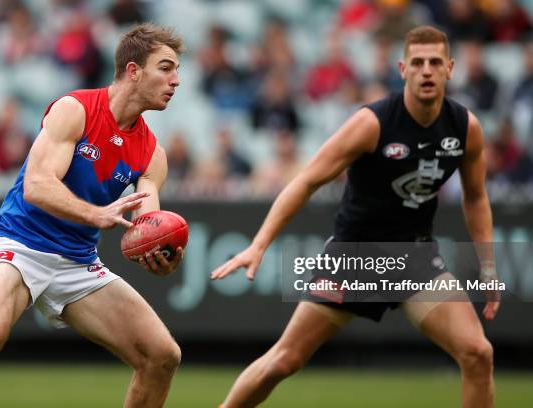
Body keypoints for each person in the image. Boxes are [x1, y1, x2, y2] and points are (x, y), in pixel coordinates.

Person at [212, 26, 500, 408]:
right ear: (402, 69)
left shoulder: (466, 128)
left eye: (434, 63)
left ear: (450, 68)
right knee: (284, 360)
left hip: (414, 259)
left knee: (478, 353)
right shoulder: (372, 123)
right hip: (356, 257)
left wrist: (488, 266)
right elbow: (306, 181)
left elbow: (476, 197)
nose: (426, 71)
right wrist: (259, 244)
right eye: (418, 63)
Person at [0, 23, 184, 408]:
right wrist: (94, 214)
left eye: (177, 70)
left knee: (162, 357)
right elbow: (38, 185)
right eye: (165, 68)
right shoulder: (74, 109)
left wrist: (158, 254)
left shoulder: (152, 155)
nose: (176, 80)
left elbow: (148, 224)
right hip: (20, 245)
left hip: (77, 263)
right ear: (133, 71)